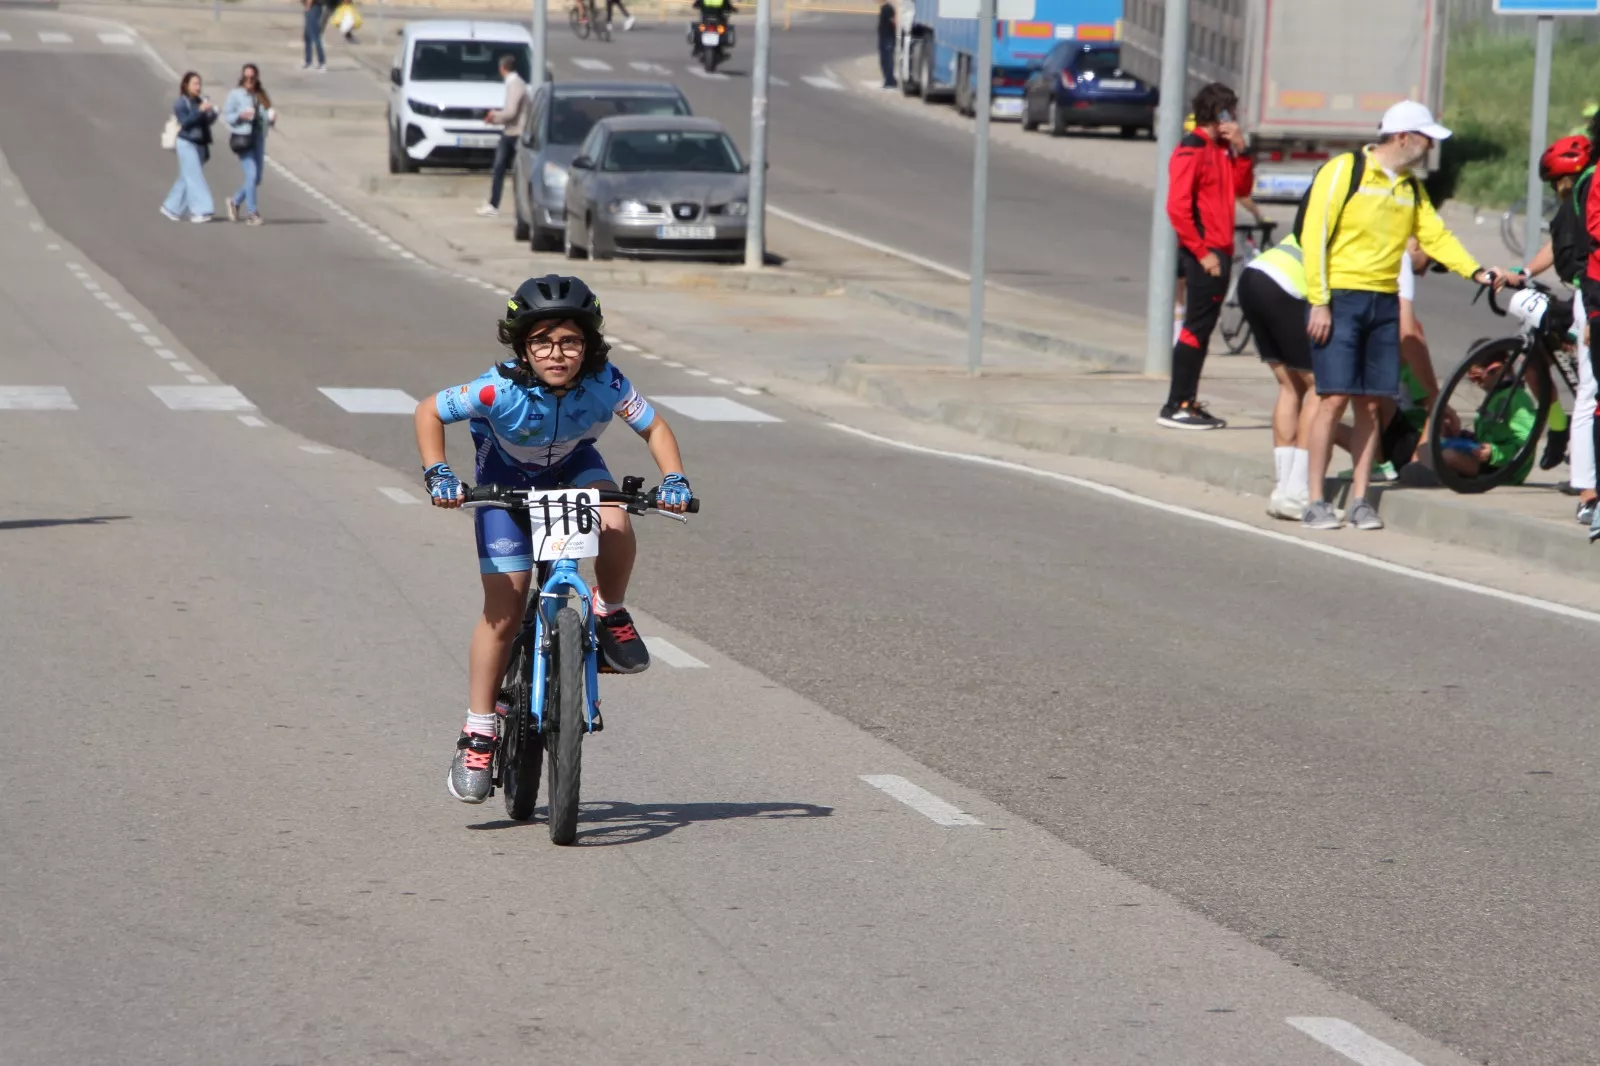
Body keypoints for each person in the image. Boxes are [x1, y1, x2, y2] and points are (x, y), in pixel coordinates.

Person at [415, 275, 693, 804]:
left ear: (587, 346)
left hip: (573, 469)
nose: (557, 352)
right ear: (523, 347)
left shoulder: (607, 383)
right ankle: (479, 730)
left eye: (570, 341)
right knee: (507, 600)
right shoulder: (496, 388)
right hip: (505, 482)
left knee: (616, 516)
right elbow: (428, 410)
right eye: (542, 341)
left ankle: (609, 610)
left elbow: (655, 428)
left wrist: (675, 478)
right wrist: (439, 473)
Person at [1299, 100, 1508, 531]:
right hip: (1339, 297)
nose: (1430, 146)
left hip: (1383, 301)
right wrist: (1319, 301)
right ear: (1402, 137)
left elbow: (1436, 236)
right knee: (1333, 399)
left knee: (1372, 404)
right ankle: (1315, 499)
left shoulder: (1410, 187)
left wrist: (1478, 272)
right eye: (1426, 138)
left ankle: (1360, 500)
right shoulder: (1345, 171)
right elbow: (1313, 234)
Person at [1161, 84, 1247, 430]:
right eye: (1231, 112)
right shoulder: (1192, 148)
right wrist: (1202, 253)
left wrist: (1241, 148)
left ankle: (1188, 401)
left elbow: (1242, 189)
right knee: (1196, 328)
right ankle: (1177, 404)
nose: (1235, 119)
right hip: (1205, 254)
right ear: (1220, 113)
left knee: (1204, 327)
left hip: (1221, 249)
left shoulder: (1222, 149)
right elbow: (1177, 208)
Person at [1521, 133, 1594, 520]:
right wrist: (1525, 270)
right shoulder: (1576, 203)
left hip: (1589, 295)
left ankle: (1585, 484)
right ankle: (1587, 486)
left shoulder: (1579, 198)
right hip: (1589, 295)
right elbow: (1555, 247)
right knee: (1589, 389)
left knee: (1588, 391)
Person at [160, 71, 218, 223]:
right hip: (186, 142)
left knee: (187, 177)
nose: (198, 87)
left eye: (199, 84)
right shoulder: (181, 103)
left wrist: (212, 112)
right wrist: (199, 111)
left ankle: (171, 207)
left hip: (200, 143)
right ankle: (202, 210)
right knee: (194, 177)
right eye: (195, 84)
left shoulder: (200, 100)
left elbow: (206, 122)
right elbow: (185, 122)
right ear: (186, 85)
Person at [476, 54, 528, 219]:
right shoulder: (515, 83)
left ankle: (507, 205)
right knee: (500, 168)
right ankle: (494, 203)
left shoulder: (515, 85)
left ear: (502, 68)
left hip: (515, 133)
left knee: (511, 170)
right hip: (510, 132)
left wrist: (494, 117)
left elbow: (511, 112)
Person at [222, 64, 275, 226]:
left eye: (252, 78)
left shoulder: (262, 95)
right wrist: (240, 115)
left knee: (257, 178)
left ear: (257, 78)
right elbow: (227, 116)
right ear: (242, 78)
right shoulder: (236, 95)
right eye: (246, 77)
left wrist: (271, 119)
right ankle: (252, 213)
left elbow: (267, 113)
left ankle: (235, 201)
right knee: (251, 174)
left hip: (258, 137)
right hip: (243, 138)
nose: (249, 81)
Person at [878, 1, 898, 90]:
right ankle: (889, 79)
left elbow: (893, 22)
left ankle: (890, 81)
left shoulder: (888, 9)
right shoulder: (883, 8)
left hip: (888, 38)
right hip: (883, 38)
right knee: (883, 60)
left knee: (888, 60)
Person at [302, 0, 326, 72]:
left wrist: (308, 5)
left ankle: (322, 62)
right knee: (307, 36)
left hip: (313, 7)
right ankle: (308, 61)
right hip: (313, 7)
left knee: (315, 35)